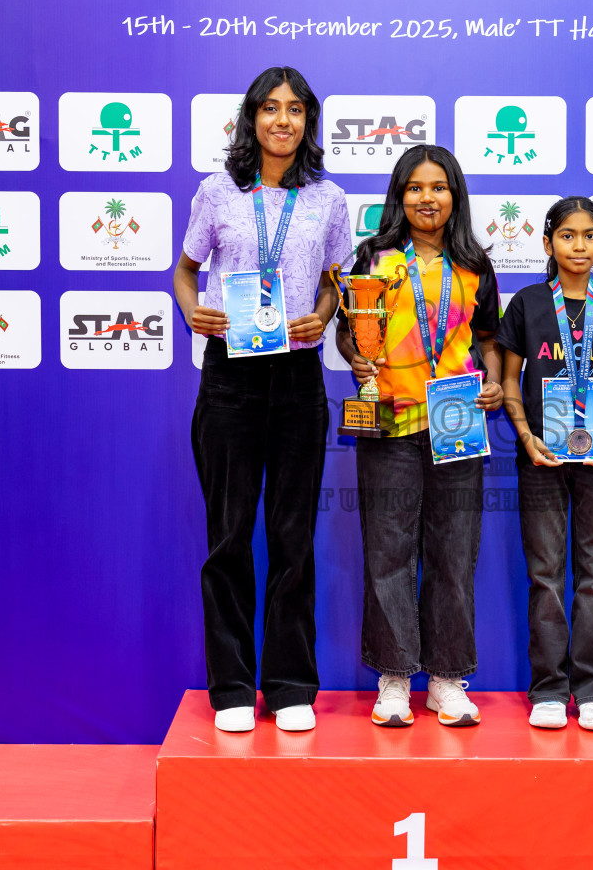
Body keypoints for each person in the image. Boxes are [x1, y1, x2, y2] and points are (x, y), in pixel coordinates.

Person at [175, 66, 351, 733]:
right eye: (271, 109)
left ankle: (288, 687)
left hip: (299, 376)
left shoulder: (328, 199)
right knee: (228, 537)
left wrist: (322, 315)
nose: (284, 120)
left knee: (291, 537)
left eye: (296, 110)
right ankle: (230, 688)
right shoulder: (218, 192)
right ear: (251, 119)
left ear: (308, 120)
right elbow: (186, 272)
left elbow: (337, 283)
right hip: (230, 379)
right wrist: (194, 312)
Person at [336, 145, 502, 727]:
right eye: (414, 188)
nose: (426, 198)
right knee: (388, 552)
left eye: (438, 187)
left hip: (457, 423)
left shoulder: (476, 265)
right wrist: (357, 358)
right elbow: (350, 335)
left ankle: (448, 679)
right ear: (398, 196)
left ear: (454, 195)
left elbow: (489, 340)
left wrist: (499, 385)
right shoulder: (373, 257)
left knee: (454, 554)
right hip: (388, 422)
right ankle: (394, 678)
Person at [496, 196, 593, 731]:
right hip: (538, 459)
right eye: (567, 235)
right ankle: (548, 690)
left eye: (589, 235)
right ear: (547, 242)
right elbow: (510, 380)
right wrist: (524, 433)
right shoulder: (530, 304)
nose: (578, 245)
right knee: (544, 576)